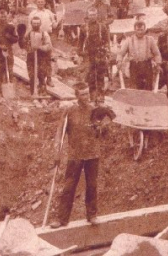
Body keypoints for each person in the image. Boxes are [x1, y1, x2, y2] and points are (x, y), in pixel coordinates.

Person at [49, 83, 115, 228]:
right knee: (69, 187)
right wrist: (57, 153)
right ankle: (61, 219)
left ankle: (92, 215)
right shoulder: (70, 112)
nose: (86, 97)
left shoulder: (96, 111)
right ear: (77, 96)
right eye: (83, 94)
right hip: (75, 155)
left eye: (87, 93)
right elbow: (60, 133)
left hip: (92, 154)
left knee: (92, 186)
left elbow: (104, 134)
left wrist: (103, 127)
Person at [116, 20, 162, 91]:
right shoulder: (129, 40)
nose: (140, 32)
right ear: (135, 30)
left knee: (148, 88)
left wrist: (158, 64)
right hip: (134, 67)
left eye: (142, 30)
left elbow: (157, 54)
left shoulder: (150, 40)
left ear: (145, 29)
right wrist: (119, 61)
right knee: (134, 89)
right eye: (138, 30)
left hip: (147, 66)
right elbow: (121, 53)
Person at [79, 7, 110, 101]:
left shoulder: (102, 26)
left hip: (100, 53)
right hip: (89, 54)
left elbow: (107, 40)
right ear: (88, 16)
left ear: (97, 15)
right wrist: (79, 51)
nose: (92, 16)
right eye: (90, 15)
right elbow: (80, 41)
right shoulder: (84, 27)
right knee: (90, 75)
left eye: (94, 14)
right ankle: (91, 96)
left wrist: (107, 51)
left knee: (100, 75)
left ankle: (100, 96)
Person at [25, 16, 52, 95]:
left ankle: (42, 93)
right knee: (32, 76)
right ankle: (33, 94)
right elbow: (25, 44)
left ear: (40, 24)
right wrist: (28, 47)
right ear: (31, 24)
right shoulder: (29, 33)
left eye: (37, 23)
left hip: (41, 56)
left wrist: (40, 47)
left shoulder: (44, 33)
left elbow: (49, 46)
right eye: (34, 23)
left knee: (42, 75)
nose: (36, 25)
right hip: (31, 56)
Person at [0, 7, 19, 89]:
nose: (3, 18)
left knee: (9, 67)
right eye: (1, 17)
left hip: (8, 49)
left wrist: (9, 37)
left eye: (4, 17)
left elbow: (16, 39)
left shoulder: (10, 27)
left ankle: (10, 83)